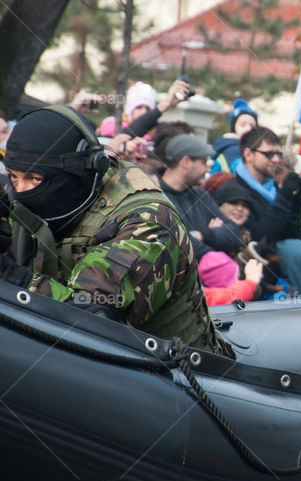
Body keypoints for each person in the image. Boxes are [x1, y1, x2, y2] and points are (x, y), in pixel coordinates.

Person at [0, 105, 228, 354]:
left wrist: (12, 277)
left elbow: (92, 318)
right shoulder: (57, 193)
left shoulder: (149, 225)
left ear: (77, 173)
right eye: (13, 177)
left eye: (34, 179)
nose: (20, 191)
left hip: (172, 375)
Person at [160, 134, 244, 260]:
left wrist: (204, 234)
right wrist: (217, 260)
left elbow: (234, 234)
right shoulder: (156, 198)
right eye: (203, 163)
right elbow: (179, 245)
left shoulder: (202, 196)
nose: (207, 170)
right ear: (186, 162)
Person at [211, 98, 259, 175]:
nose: (248, 128)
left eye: (252, 126)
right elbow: (243, 175)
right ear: (234, 129)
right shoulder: (233, 148)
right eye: (243, 125)